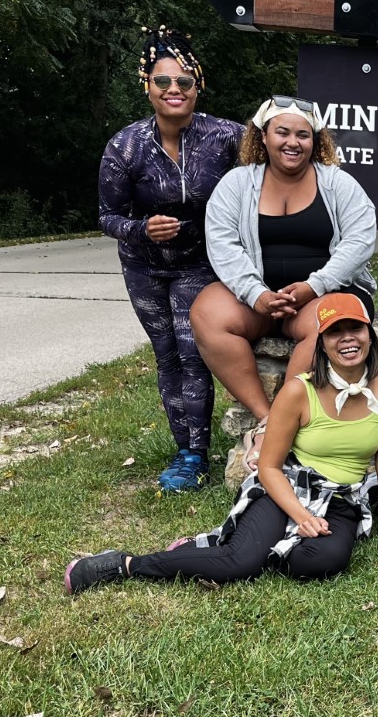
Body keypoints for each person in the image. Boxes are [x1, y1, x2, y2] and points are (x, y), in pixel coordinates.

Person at [64, 293, 378, 595]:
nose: (348, 339)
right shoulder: (298, 391)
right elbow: (270, 466)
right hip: (286, 485)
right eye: (335, 332)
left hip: (340, 497)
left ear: (370, 335)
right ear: (322, 343)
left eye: (355, 328)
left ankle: (225, 548)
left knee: (318, 564)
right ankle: (126, 564)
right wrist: (302, 517)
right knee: (239, 564)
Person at [191, 95, 378, 473]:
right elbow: (222, 242)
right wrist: (256, 294)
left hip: (323, 293)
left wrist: (316, 285)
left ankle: (282, 425)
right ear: (262, 136)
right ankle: (267, 418)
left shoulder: (337, 183)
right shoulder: (237, 184)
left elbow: (360, 239)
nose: (293, 142)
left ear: (316, 141)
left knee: (330, 326)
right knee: (206, 313)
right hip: (258, 296)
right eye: (283, 132)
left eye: (303, 135)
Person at [97, 26, 243, 492]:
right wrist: (141, 228)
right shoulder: (126, 146)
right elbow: (107, 216)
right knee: (166, 357)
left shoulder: (227, 138)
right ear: (147, 86)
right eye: (163, 82)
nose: (174, 90)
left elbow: (272, 167)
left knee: (193, 353)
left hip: (200, 264)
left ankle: (196, 451)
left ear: (198, 87)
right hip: (143, 265)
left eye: (184, 82)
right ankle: (185, 450)